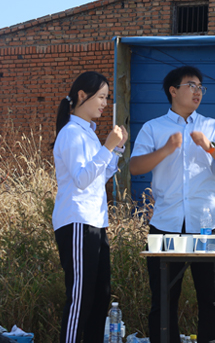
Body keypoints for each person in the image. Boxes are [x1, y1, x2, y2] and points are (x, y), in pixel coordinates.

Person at [130, 65, 215, 343]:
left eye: (201, 87)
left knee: (212, 299)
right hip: (166, 223)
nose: (197, 91)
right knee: (164, 299)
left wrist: (210, 146)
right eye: (191, 85)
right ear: (173, 90)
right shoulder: (153, 127)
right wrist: (166, 149)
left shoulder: (211, 126)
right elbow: (134, 166)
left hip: (207, 223)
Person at [52, 71, 127, 343]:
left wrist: (116, 149)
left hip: (95, 223)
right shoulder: (71, 133)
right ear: (82, 96)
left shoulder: (88, 134)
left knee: (100, 295)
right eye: (101, 97)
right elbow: (82, 179)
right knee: (81, 296)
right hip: (77, 222)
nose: (105, 103)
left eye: (107, 98)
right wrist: (108, 146)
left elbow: (99, 176)